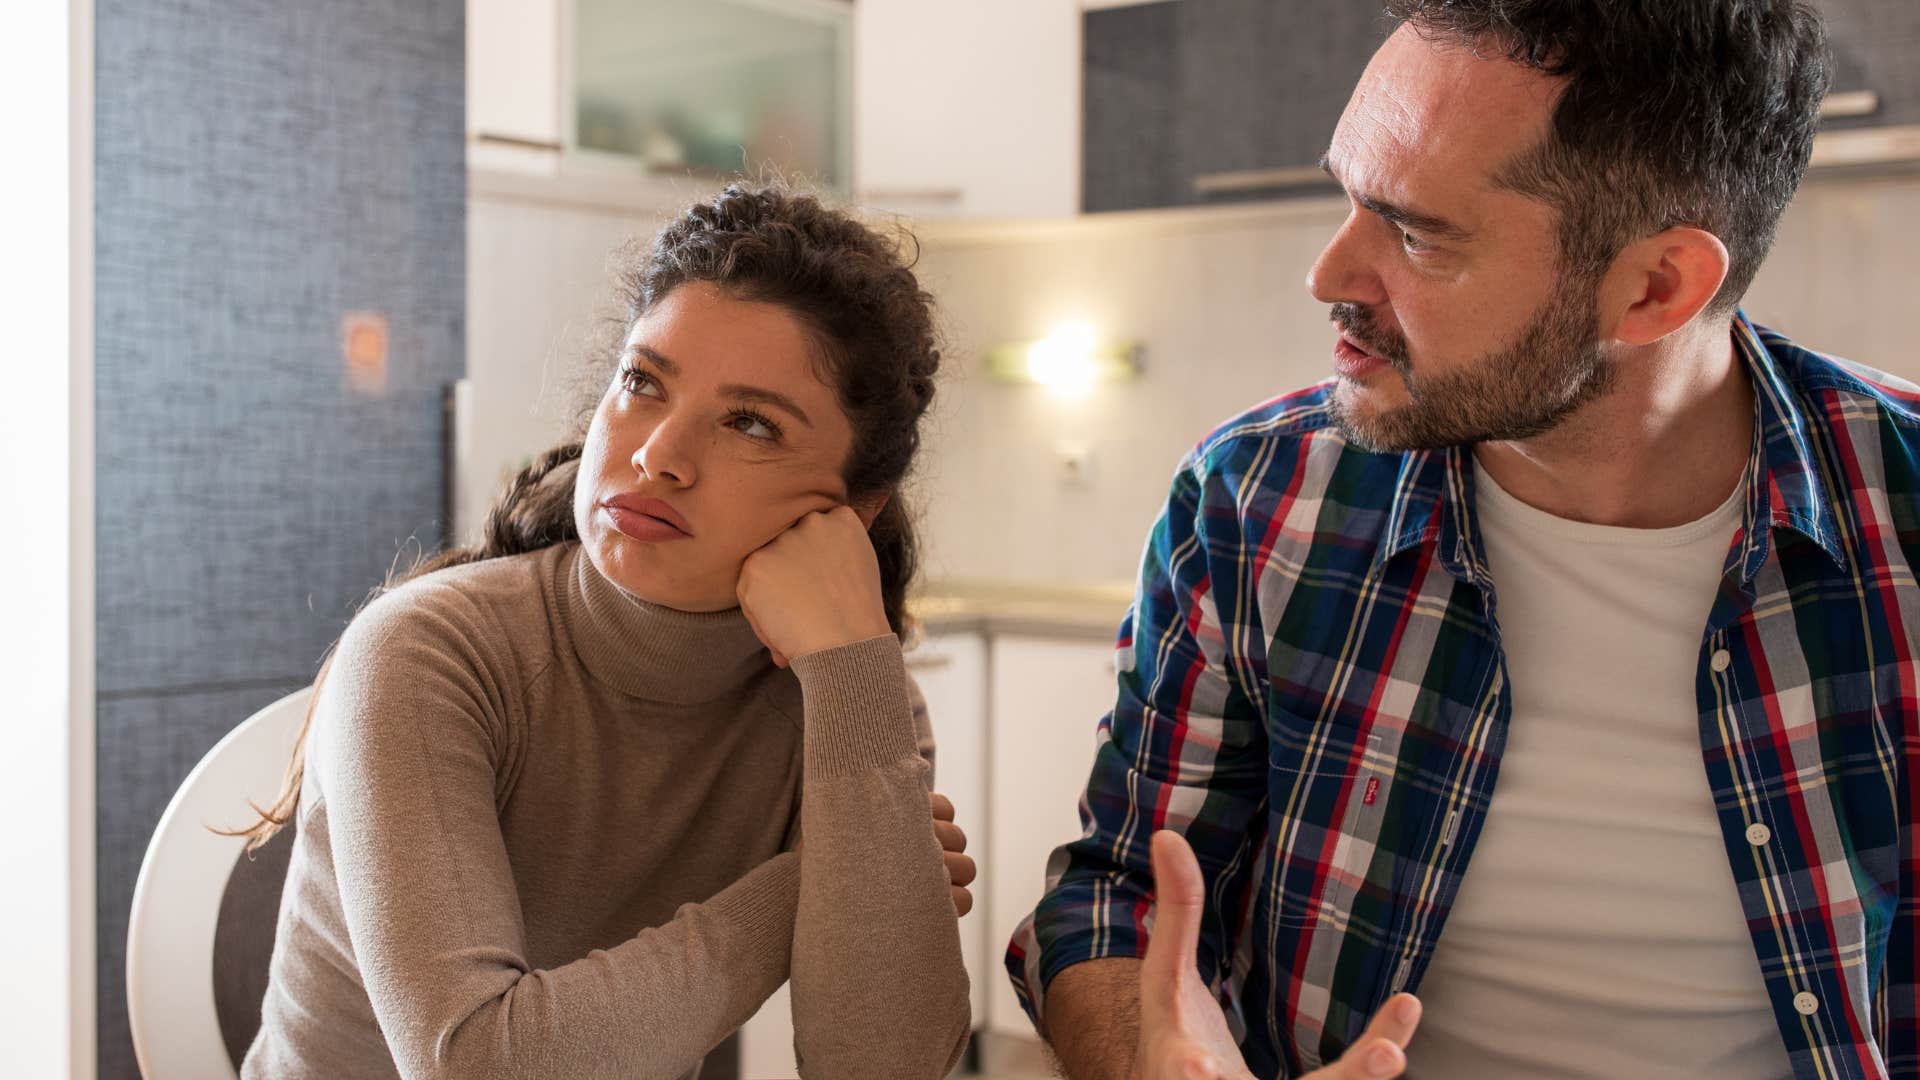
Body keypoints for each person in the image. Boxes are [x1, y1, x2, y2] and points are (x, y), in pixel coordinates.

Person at [1010, 3, 1915, 1078]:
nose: (1330, 274)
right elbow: (1112, 894)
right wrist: (1152, 1054)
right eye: (1349, 195)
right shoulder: (1256, 498)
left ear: (1655, 288)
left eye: (1418, 231)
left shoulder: (1898, 513)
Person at [237, 184, 974, 1080]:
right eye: (642, 383)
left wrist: (853, 675)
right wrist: (815, 887)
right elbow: (475, 1064)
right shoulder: (426, 653)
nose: (657, 452)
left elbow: (883, 1069)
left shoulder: (856, 702)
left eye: (750, 423)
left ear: (854, 508)